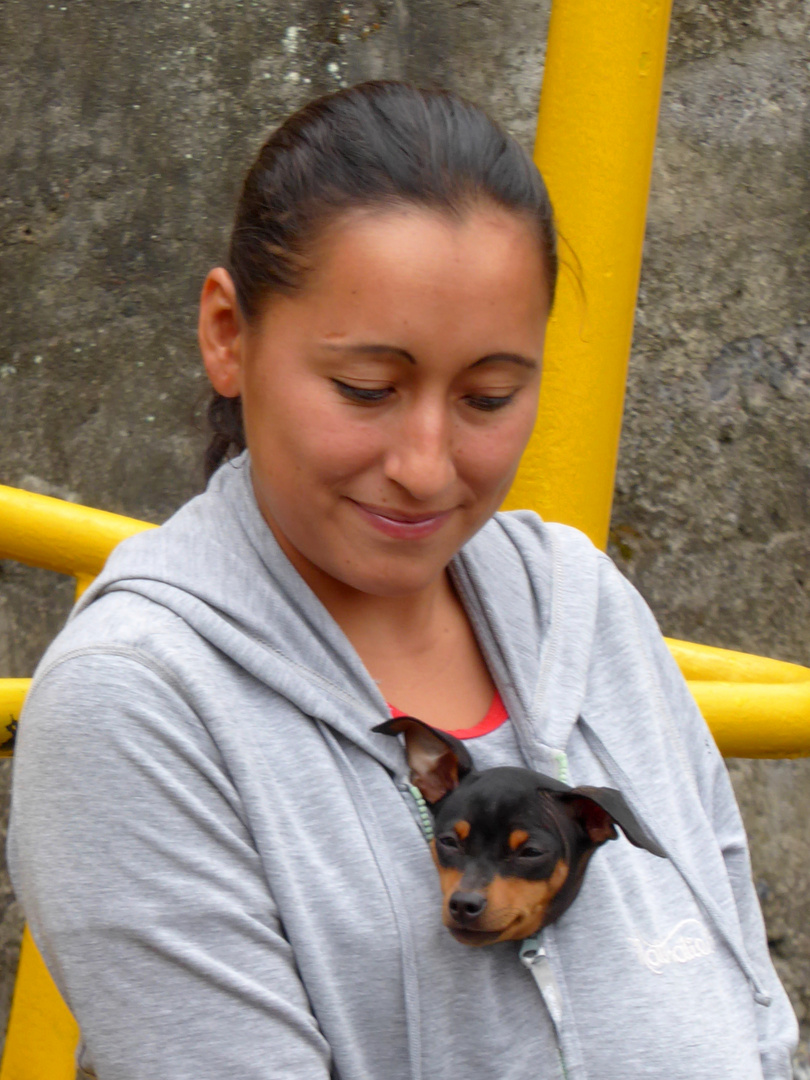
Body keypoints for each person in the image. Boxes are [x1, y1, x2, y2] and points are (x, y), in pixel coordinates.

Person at [9, 82, 797, 1080]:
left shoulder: (582, 603)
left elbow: (754, 1019)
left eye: (489, 396)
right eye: (367, 390)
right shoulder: (139, 702)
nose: (428, 464)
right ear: (226, 335)